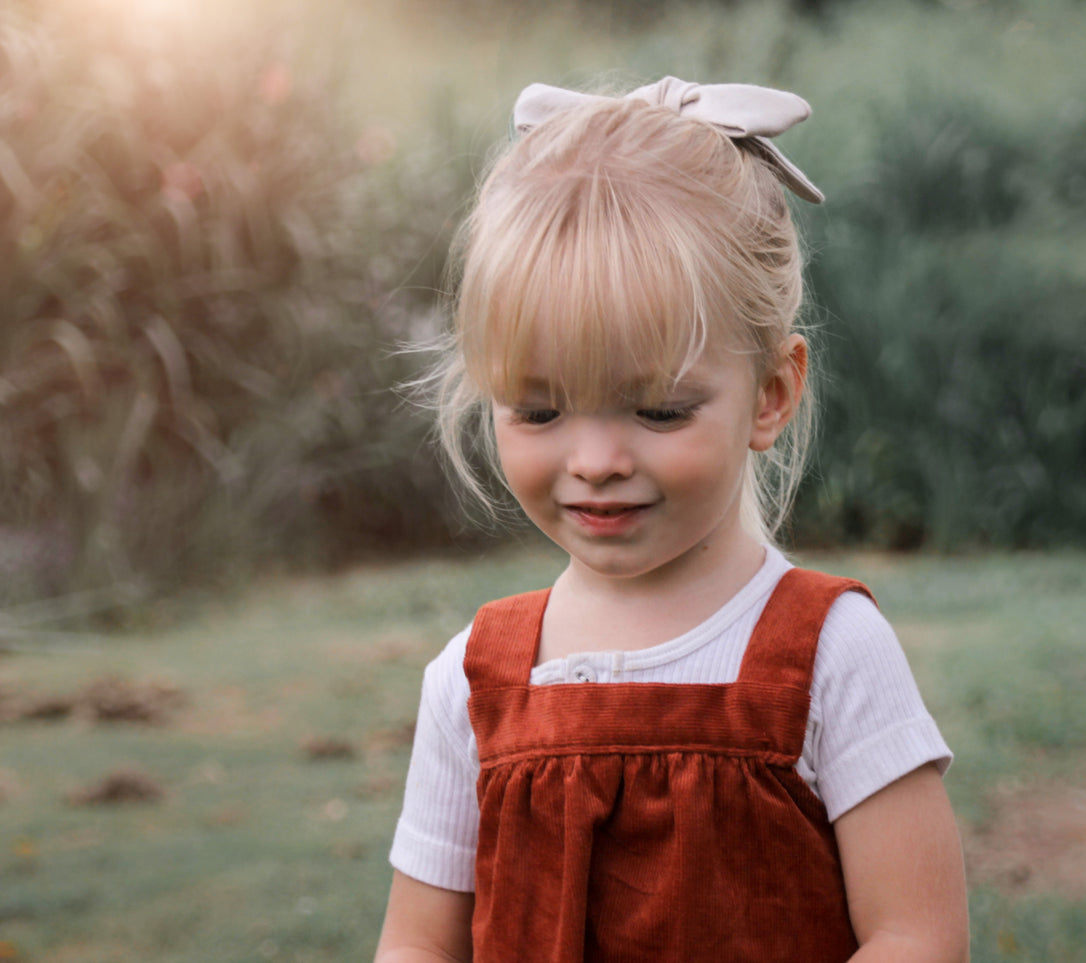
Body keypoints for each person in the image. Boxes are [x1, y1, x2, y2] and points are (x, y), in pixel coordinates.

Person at [373, 76, 969, 963]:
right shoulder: (471, 681)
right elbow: (418, 946)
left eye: (655, 411)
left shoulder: (829, 653)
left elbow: (917, 934)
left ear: (770, 394)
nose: (596, 461)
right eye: (538, 412)